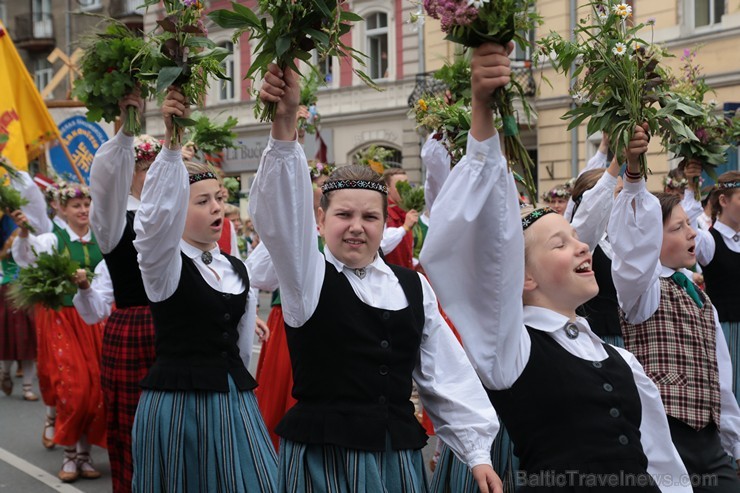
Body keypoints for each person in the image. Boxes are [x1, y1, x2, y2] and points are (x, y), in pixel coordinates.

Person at [421, 42, 691, 492]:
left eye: (579, 240)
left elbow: (663, 465)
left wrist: (632, 171)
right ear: (522, 276)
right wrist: (483, 114)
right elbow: (478, 247)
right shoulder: (513, 349)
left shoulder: (621, 360)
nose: (584, 248)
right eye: (562, 243)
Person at [252, 62, 501, 492]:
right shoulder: (306, 278)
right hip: (325, 459)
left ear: (384, 222)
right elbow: (279, 214)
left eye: (369, 216)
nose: (356, 226)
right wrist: (285, 123)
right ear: (320, 218)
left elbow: (444, 371)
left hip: (396, 456)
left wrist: (476, 453)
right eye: (343, 214)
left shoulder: (410, 286)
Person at [131, 87, 277, 492]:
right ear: (178, 211)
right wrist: (172, 144)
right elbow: (152, 225)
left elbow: (242, 344)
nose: (217, 208)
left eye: (219, 198)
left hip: (234, 402)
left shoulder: (235, 267)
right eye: (202, 202)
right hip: (180, 406)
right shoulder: (163, 265)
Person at [609, 128, 740, 492]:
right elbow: (633, 250)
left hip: (709, 442)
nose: (692, 234)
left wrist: (734, 439)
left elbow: (721, 375)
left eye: (690, 226)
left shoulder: (702, 299)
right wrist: (633, 172)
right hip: (663, 440)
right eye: (678, 228)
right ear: (653, 236)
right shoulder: (642, 291)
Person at [84, 93, 158, 493]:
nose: (150, 175)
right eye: (143, 168)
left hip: (177, 325)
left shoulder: (174, 211)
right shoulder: (115, 217)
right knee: (135, 429)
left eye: (154, 168)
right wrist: (127, 130)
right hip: (135, 325)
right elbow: (106, 180)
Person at [11, 182, 106, 483]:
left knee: (95, 392)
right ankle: (69, 453)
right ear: (61, 209)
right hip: (62, 319)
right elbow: (25, 258)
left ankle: (85, 454)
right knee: (73, 388)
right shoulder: (53, 239)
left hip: (93, 322)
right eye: (76, 205)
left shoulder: (102, 239)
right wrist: (24, 233)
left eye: (86, 204)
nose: (83, 210)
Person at [693, 170, 740, 405]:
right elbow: (689, 224)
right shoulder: (708, 240)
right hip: (726, 330)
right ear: (723, 200)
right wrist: (692, 183)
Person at [383, 167, 419, 268]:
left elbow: (407, 253)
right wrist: (405, 228)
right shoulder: (382, 212)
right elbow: (380, 246)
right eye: (400, 184)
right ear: (387, 187)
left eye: (406, 184)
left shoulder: (405, 213)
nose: (405, 188)